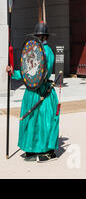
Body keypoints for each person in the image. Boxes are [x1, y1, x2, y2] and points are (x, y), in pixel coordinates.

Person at [6, 21, 59, 163]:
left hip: (42, 90)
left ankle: (45, 150)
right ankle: (31, 148)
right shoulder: (32, 50)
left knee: (43, 121)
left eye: (40, 36)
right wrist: (14, 72)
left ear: (43, 36)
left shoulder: (47, 52)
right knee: (31, 120)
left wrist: (24, 75)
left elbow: (41, 72)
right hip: (31, 90)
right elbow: (27, 70)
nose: (40, 38)